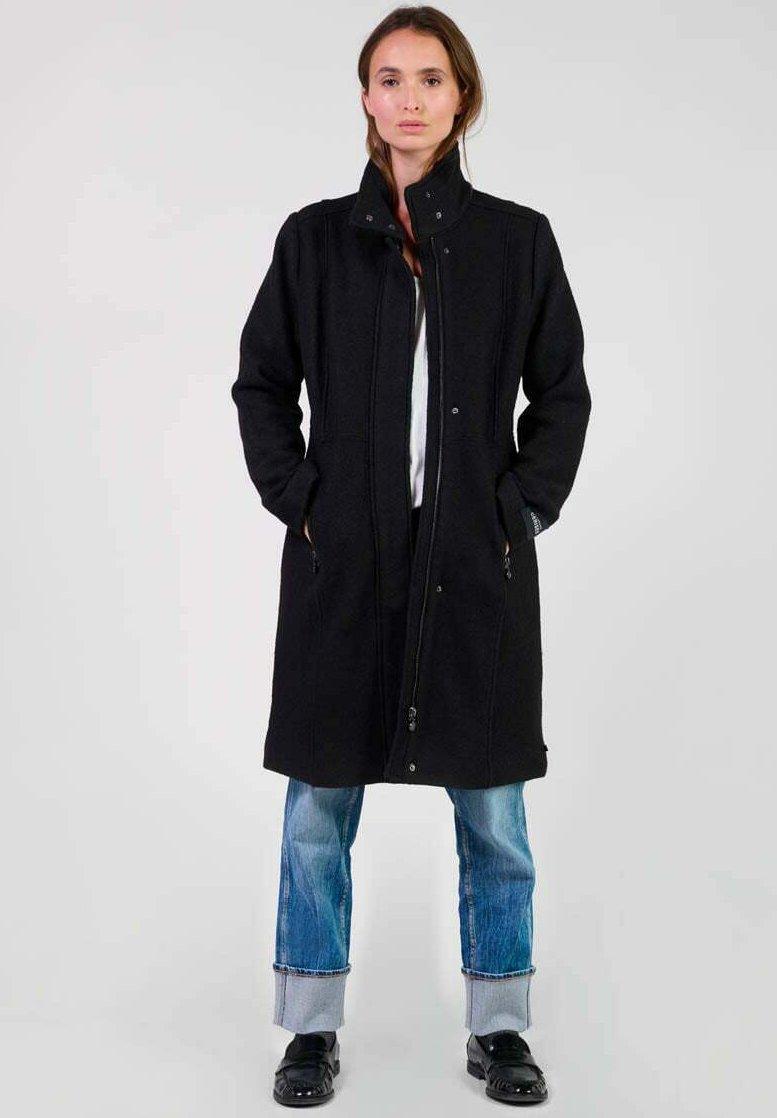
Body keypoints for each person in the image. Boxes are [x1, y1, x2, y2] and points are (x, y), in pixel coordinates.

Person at [230, 5, 591, 1107]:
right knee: (316, 811)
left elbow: (561, 394)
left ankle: (499, 1028)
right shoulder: (314, 241)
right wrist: (302, 504)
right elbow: (261, 384)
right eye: (389, 78)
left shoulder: (517, 240)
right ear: (365, 98)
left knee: (494, 813)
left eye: (430, 78)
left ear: (461, 96)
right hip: (344, 570)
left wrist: (517, 512)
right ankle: (309, 1030)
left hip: (476, 571)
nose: (410, 98)